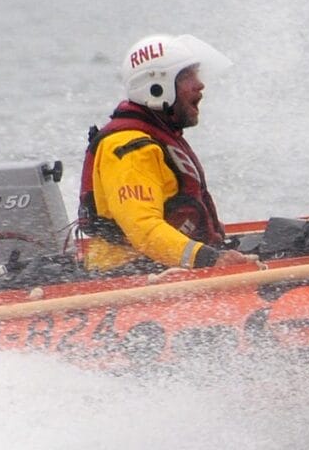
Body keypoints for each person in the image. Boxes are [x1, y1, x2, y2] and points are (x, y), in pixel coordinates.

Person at [77, 33, 257, 273]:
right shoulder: (130, 150)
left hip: (165, 265)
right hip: (131, 273)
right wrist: (210, 260)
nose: (199, 84)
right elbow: (145, 231)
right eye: (186, 76)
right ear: (155, 87)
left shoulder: (158, 137)